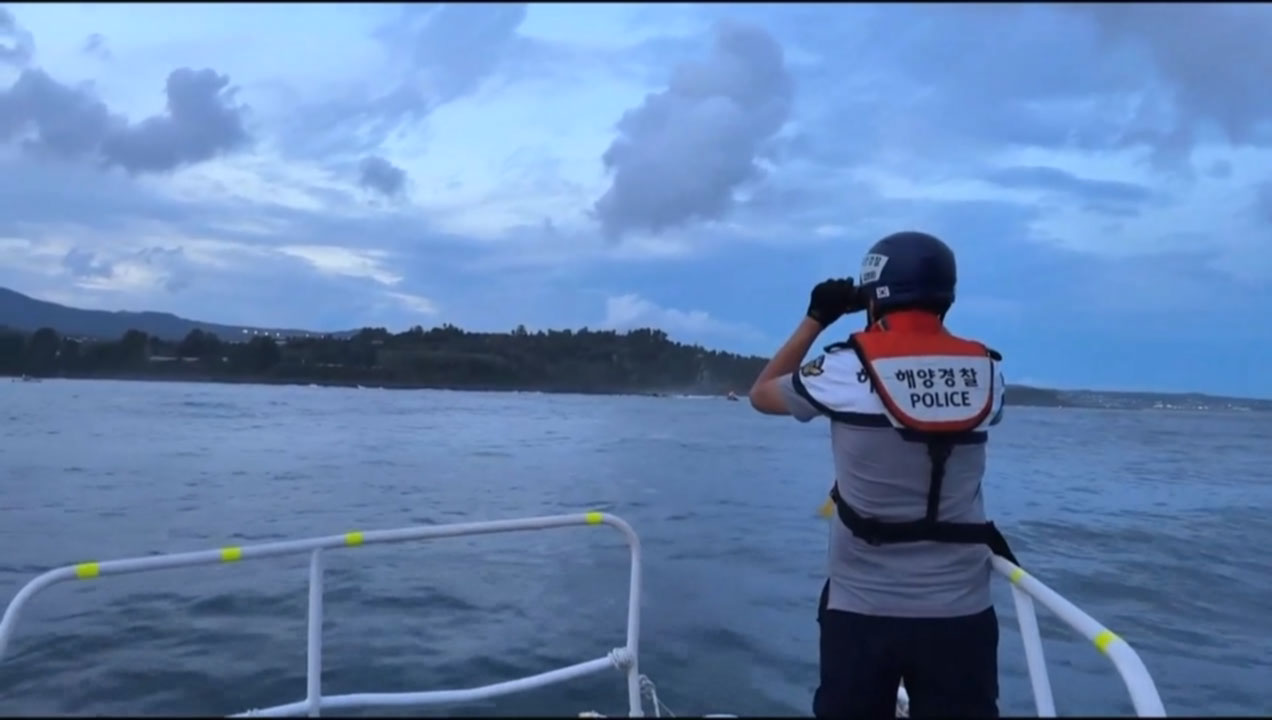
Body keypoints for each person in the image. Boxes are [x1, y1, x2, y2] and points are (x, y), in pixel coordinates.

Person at [747, 231, 1017, 718]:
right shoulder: (989, 375)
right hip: (961, 612)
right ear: (946, 296)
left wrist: (818, 318)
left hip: (861, 610)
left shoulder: (841, 370)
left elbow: (762, 394)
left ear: (874, 297)